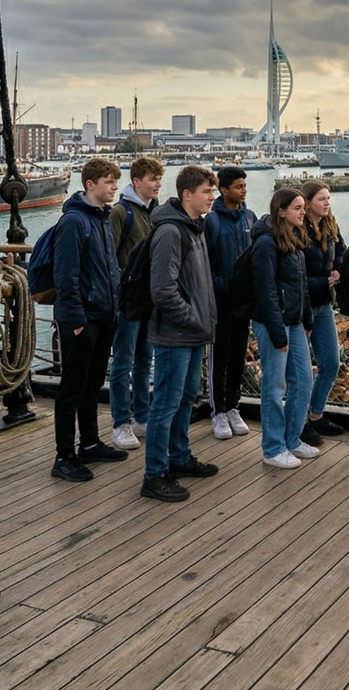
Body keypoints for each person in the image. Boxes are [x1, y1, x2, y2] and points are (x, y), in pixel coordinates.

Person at [140, 165, 219, 503]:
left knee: (186, 398)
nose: (212, 197)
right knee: (166, 404)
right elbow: (162, 289)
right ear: (187, 194)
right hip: (176, 334)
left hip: (193, 332)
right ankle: (155, 474)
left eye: (212, 191)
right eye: (206, 191)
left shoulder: (195, 228)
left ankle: (179, 455)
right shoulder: (172, 232)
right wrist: (193, 320)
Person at [51, 158, 128, 482]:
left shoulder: (102, 219)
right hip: (82, 320)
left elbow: (108, 269)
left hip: (103, 316)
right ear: (90, 185)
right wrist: (76, 321)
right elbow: (65, 276)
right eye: (109, 182)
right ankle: (64, 456)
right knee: (72, 387)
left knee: (93, 384)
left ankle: (91, 442)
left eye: (115, 181)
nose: (114, 187)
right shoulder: (74, 222)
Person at [249, 187, 316, 469]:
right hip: (273, 322)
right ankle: (273, 447)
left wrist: (307, 318)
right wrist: (277, 333)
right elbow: (265, 290)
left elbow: (300, 284)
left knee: (303, 381)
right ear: (281, 211)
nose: (303, 212)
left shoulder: (296, 237)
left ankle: (292, 437)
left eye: (303, 207)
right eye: (298, 208)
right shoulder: (266, 243)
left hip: (296, 321)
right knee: (275, 386)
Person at [108, 156, 165, 450]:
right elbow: (110, 256)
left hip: (151, 299)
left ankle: (141, 416)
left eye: (159, 179)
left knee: (145, 360)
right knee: (122, 362)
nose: (157, 184)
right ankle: (121, 422)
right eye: (152, 179)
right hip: (129, 301)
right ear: (137, 182)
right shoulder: (121, 213)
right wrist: (122, 288)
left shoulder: (156, 213)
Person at [203, 165, 257, 440]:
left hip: (243, 304)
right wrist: (220, 286)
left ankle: (233, 406)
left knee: (238, 357)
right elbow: (206, 261)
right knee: (219, 357)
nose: (243, 190)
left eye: (244, 186)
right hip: (220, 302)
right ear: (224, 191)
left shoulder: (250, 218)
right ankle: (218, 411)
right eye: (238, 186)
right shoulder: (211, 221)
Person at [299, 180, 347, 447]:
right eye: (321, 199)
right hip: (302, 307)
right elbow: (296, 272)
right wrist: (319, 282)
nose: (327, 203)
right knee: (303, 371)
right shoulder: (298, 229)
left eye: (328, 198)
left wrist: (338, 268)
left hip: (324, 304)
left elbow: (340, 249)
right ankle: (301, 421)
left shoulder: (330, 225)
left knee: (331, 363)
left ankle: (316, 413)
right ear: (307, 202)